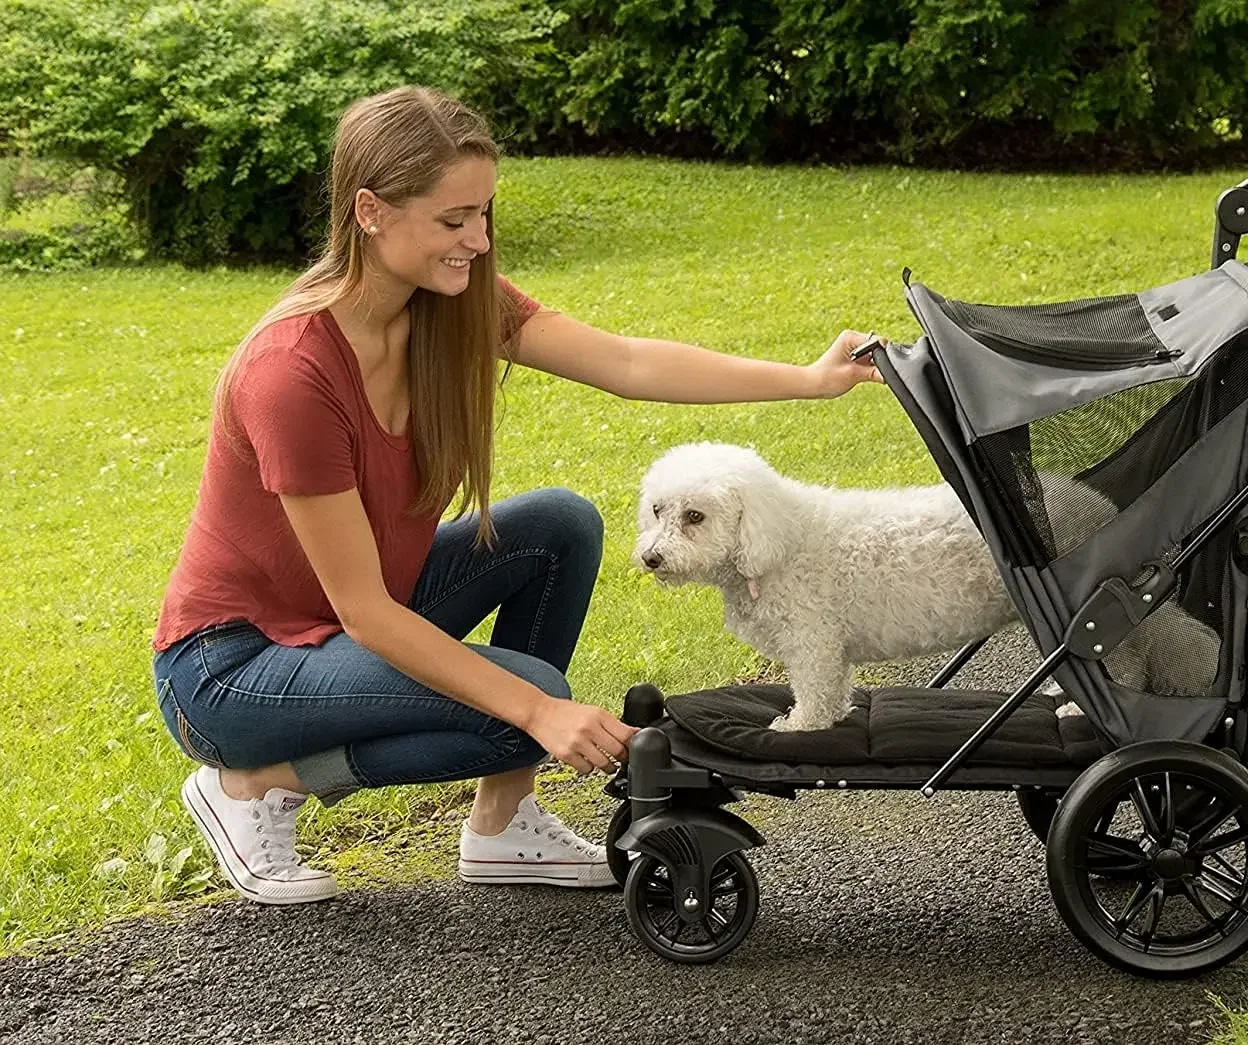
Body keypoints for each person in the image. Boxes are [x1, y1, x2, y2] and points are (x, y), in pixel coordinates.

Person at [149, 85, 884, 905]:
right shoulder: (292, 372)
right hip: (233, 669)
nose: (480, 239)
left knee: (559, 525)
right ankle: (254, 783)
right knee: (526, 702)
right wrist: (538, 712)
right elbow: (365, 612)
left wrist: (811, 383)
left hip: (342, 627)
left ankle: (502, 823)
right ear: (370, 211)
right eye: (455, 218)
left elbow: (628, 363)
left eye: (486, 212)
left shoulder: (448, 308)